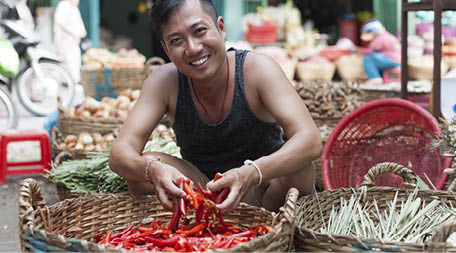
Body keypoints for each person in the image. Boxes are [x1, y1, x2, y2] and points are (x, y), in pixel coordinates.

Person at [109, 0, 321, 213]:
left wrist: (251, 172)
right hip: (200, 193)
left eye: (200, 31)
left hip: (264, 191)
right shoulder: (164, 81)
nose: (193, 48)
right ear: (165, 48)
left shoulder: (257, 69)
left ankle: (273, 234)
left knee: (299, 169)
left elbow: (310, 140)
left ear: (221, 28)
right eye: (176, 41)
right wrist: (153, 170)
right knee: (143, 169)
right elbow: (120, 154)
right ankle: (192, 229)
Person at [53, 0, 86, 84]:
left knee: (74, 63)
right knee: (68, 63)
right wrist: (73, 32)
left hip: (73, 42)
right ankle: (69, 84)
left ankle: (73, 83)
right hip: (65, 41)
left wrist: (82, 31)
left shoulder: (73, 7)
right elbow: (60, 21)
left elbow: (79, 21)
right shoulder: (64, 5)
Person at [359, 19, 401, 85]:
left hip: (393, 61)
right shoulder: (388, 36)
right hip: (398, 61)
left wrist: (357, 49)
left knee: (369, 57)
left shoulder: (380, 38)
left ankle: (374, 78)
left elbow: (370, 51)